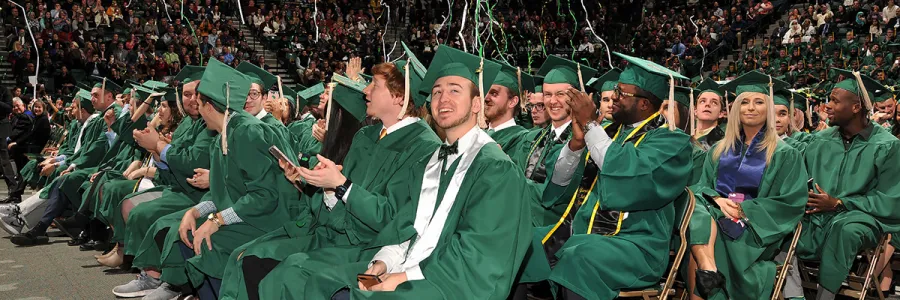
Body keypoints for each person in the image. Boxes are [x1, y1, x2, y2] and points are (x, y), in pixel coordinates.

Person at [296, 44, 530, 300]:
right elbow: (408, 226)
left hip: (451, 283)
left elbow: (477, 256)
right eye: (437, 91)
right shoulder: (432, 162)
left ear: (476, 104)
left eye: (455, 90)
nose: (443, 99)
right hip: (412, 266)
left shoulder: (495, 167)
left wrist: (404, 277)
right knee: (322, 282)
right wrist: (383, 262)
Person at [220, 57, 440, 300]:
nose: (365, 91)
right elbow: (339, 195)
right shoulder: (367, 135)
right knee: (254, 256)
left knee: (288, 271)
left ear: (400, 96)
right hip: (334, 232)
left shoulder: (423, 147)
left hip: (370, 247)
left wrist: (341, 185)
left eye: (374, 86)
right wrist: (324, 185)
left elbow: (394, 217)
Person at [114, 59, 300, 300]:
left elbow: (265, 196)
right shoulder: (223, 135)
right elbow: (222, 190)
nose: (197, 110)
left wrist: (217, 219)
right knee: (188, 230)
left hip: (271, 219)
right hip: (251, 212)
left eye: (199, 103)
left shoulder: (248, 132)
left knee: (205, 240)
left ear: (210, 106)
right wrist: (196, 212)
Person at [514, 52, 693, 300]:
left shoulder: (671, 143)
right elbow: (559, 181)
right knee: (522, 244)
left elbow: (627, 174)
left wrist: (590, 126)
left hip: (636, 246)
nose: (612, 100)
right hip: (580, 233)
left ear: (644, 104)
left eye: (621, 94)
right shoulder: (606, 132)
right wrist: (576, 143)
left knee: (580, 256)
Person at [685, 72, 806, 300]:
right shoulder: (719, 150)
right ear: (736, 109)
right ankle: (707, 269)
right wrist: (718, 199)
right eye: (745, 103)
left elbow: (791, 203)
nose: (750, 108)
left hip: (757, 231)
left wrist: (744, 210)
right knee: (700, 220)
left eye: (759, 102)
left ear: (768, 108)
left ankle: (706, 273)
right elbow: (701, 187)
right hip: (716, 220)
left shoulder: (785, 154)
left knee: (700, 239)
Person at [785, 69, 900, 300]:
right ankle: (791, 294)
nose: (827, 106)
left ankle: (825, 297)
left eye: (835, 101)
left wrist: (839, 203)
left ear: (856, 107)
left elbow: (889, 199)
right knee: (781, 222)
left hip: (864, 216)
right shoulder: (820, 141)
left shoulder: (887, 146)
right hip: (817, 214)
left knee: (846, 230)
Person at [7, 79, 123, 246]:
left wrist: (69, 164)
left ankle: (38, 224)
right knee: (62, 176)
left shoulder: (113, 114)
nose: (92, 99)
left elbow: (97, 150)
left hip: (104, 165)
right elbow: (87, 149)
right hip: (94, 164)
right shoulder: (103, 117)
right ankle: (36, 223)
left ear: (110, 96)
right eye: (91, 96)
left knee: (65, 178)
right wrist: (66, 163)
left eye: (96, 96)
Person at [511, 55, 597, 226]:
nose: (553, 101)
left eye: (560, 94)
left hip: (563, 230)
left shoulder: (589, 142)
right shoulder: (531, 139)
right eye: (547, 95)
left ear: (576, 97)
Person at [485, 61, 531, 155]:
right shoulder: (478, 135)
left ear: (512, 102)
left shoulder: (523, 140)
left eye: (494, 93)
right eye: (486, 93)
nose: (486, 98)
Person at [236, 62, 283, 127]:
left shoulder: (273, 127)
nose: (247, 100)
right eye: (243, 94)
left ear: (264, 98)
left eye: (254, 94)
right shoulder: (234, 124)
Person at [693, 78, 726, 150]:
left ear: (721, 113)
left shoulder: (725, 142)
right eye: (702, 101)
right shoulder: (685, 137)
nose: (707, 104)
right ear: (695, 110)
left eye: (714, 102)